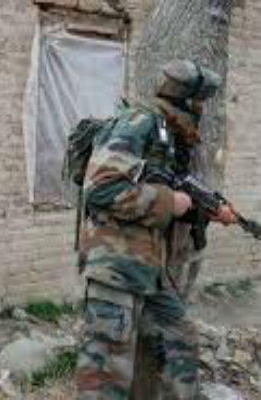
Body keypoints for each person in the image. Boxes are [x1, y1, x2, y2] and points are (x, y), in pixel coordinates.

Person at [75, 60, 238, 399]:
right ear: (188, 101)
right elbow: (100, 189)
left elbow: (161, 192)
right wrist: (169, 202)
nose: (201, 113)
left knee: (181, 337)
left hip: (149, 269)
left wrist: (206, 211)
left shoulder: (165, 133)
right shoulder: (139, 122)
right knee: (105, 377)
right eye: (199, 104)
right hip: (115, 269)